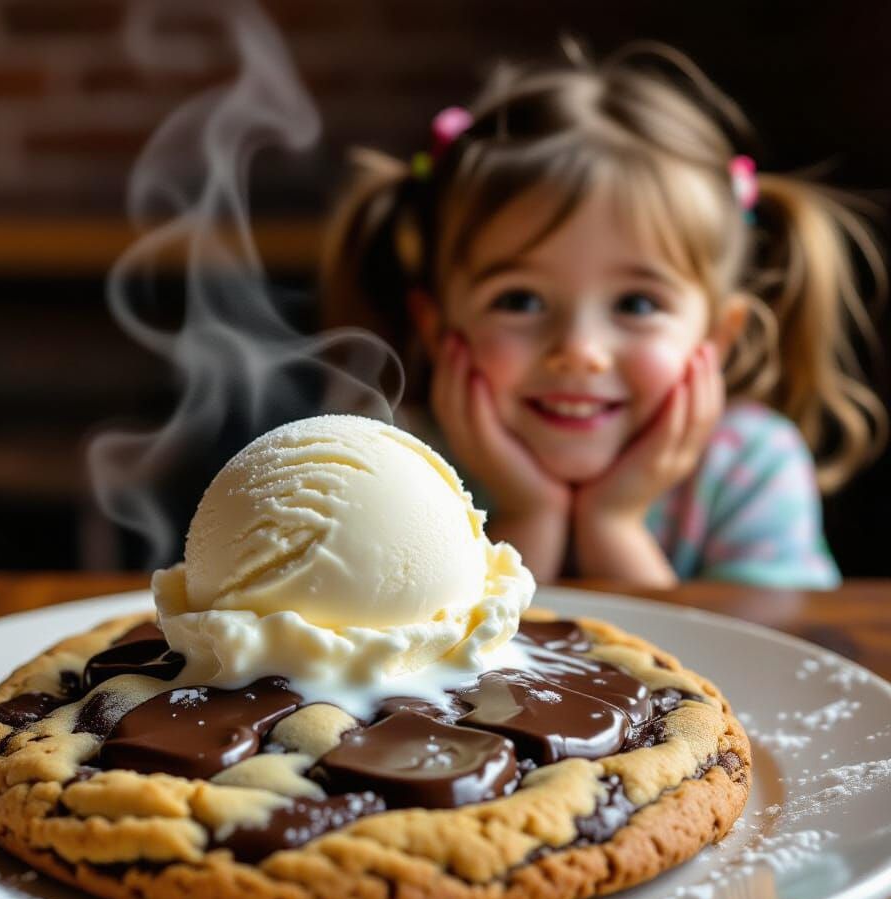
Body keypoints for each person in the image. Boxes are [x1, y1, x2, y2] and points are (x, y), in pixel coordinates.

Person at [320, 41, 887, 588]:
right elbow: (418, 661)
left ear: (717, 335)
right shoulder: (400, 462)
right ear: (438, 326)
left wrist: (614, 527)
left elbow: (759, 670)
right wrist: (529, 515)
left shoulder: (752, 467)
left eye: (637, 304)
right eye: (520, 300)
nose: (580, 349)